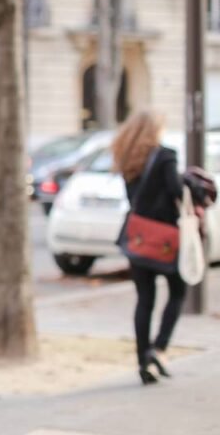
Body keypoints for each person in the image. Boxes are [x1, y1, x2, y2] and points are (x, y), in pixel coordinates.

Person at [111, 109, 185, 385]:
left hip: (138, 237)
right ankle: (159, 348)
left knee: (145, 299)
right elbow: (176, 192)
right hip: (164, 238)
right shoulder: (165, 156)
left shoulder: (126, 157)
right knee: (178, 291)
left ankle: (143, 359)